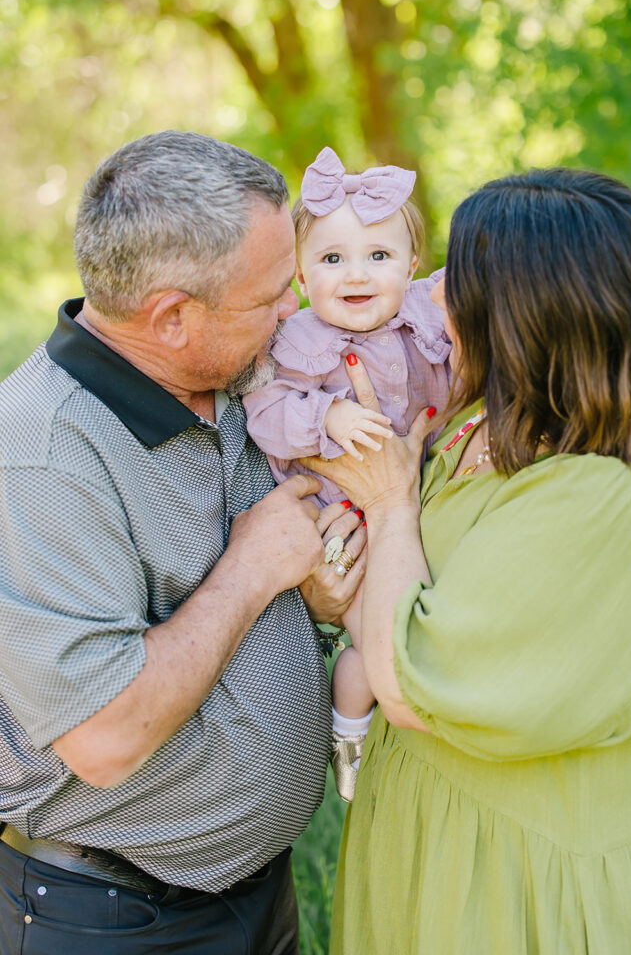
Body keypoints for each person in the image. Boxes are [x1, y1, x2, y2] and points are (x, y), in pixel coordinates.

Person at [0, 130, 366, 954]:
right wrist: (251, 569)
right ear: (171, 316)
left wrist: (316, 605)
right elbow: (104, 738)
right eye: (272, 294)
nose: (294, 309)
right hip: (112, 918)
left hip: (253, 893)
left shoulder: (236, 379)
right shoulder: (43, 453)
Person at [303, 168, 631, 954]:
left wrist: (388, 504)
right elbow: (409, 602)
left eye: (459, 283)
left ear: (526, 317)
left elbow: (413, 684)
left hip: (517, 891)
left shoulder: (599, 496)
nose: (431, 297)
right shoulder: (482, 432)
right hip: (427, 845)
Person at [243, 146, 452, 801]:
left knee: (419, 612)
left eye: (379, 257)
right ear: (300, 276)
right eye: (332, 260)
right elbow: (266, 413)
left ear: (412, 266)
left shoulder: (423, 315)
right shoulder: (299, 342)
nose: (356, 275)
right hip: (341, 514)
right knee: (377, 638)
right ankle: (354, 736)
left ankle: (363, 728)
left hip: (418, 493)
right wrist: (329, 416)